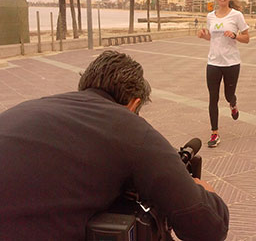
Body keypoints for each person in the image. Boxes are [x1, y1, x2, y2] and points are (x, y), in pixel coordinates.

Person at [0, 50, 229, 241]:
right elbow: (207, 228)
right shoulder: (131, 128)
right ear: (134, 103)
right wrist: (207, 194)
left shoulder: (33, 106)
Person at [198, 0, 250, 148]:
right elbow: (212, 38)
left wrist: (235, 35)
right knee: (213, 98)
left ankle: (233, 104)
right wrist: (204, 36)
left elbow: (246, 38)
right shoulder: (210, 16)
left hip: (231, 63)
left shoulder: (236, 15)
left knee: (229, 95)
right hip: (213, 62)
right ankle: (215, 133)